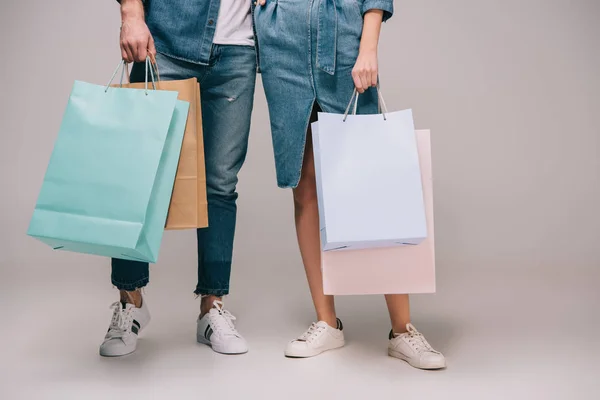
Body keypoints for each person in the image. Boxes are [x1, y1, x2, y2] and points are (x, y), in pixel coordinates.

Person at [255, 0, 447, 369]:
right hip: (283, 42)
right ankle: (327, 322)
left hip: (342, 35)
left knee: (374, 182)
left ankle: (402, 330)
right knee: (304, 185)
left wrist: (368, 45)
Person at [100, 0, 257, 357]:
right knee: (137, 177)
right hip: (165, 40)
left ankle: (211, 308)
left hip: (239, 48)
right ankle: (130, 302)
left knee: (220, 184)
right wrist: (131, 14)